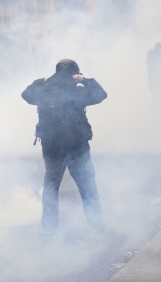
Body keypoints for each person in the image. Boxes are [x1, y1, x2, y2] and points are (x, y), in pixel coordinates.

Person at [22, 59, 107, 235]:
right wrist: (83, 80)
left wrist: (42, 81)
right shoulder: (79, 92)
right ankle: (97, 226)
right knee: (87, 186)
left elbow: (25, 94)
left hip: (52, 147)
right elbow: (101, 94)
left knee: (51, 186)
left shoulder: (42, 92)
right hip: (77, 147)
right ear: (73, 74)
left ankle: (49, 228)